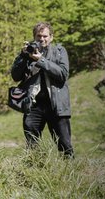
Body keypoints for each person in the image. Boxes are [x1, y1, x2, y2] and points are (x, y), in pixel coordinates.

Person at [11, 22, 73, 157]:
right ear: (34, 37)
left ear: (51, 37)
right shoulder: (27, 53)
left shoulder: (59, 51)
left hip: (56, 105)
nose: (42, 39)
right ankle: (34, 172)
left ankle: (71, 171)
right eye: (39, 36)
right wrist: (23, 56)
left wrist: (41, 60)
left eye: (45, 36)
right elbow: (15, 76)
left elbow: (62, 74)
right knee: (32, 146)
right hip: (34, 106)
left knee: (65, 145)